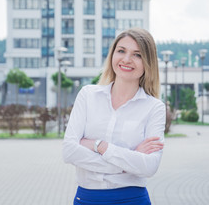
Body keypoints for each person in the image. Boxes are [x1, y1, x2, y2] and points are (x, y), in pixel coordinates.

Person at [62, 28, 165, 205]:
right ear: (112, 55)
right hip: (86, 199)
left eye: (137, 55)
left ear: (147, 63)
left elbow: (149, 167)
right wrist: (128, 162)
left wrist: (99, 146)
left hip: (132, 200)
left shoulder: (154, 107)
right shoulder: (88, 95)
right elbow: (69, 152)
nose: (126, 59)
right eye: (121, 51)